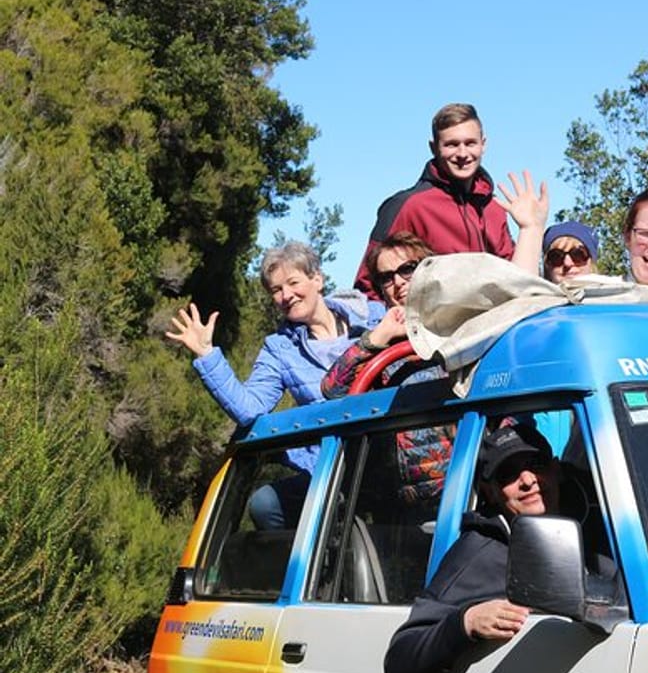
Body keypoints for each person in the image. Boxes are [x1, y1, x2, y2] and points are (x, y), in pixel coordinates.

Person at [166, 241, 386, 527]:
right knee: (266, 505)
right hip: (332, 469)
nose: (286, 295)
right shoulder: (280, 349)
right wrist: (207, 354)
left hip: (387, 454)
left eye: (293, 282)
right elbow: (249, 410)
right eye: (276, 290)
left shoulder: (373, 317)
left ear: (317, 279)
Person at [383, 423, 560, 673]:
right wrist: (466, 622)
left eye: (536, 464)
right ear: (490, 491)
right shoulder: (478, 554)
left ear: (556, 469)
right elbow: (398, 663)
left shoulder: (603, 525)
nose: (527, 480)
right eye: (508, 474)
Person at [354, 103, 547, 297]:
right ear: (433, 147)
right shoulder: (408, 206)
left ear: (483, 144)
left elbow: (516, 282)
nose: (462, 154)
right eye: (451, 145)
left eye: (470, 143)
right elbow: (367, 286)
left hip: (493, 323)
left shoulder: (494, 209)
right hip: (432, 325)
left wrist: (531, 230)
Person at [322, 232, 452, 509]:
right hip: (400, 507)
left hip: (462, 488)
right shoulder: (381, 344)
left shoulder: (458, 323)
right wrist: (377, 338)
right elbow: (332, 390)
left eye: (407, 269)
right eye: (386, 277)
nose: (398, 282)